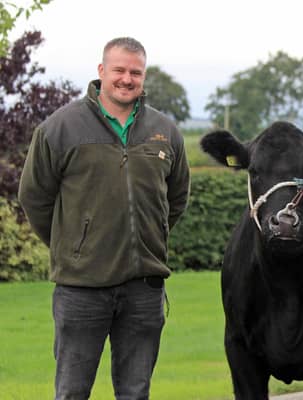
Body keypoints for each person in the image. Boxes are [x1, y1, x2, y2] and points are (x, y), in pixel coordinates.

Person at [18, 37, 190, 399]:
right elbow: (34, 198)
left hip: (144, 289)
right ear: (101, 72)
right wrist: (75, 246)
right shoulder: (59, 128)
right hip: (81, 289)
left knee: (135, 392)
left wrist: (147, 239)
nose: (127, 79)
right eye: (119, 70)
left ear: (144, 76)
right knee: (72, 392)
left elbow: (175, 198)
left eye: (136, 72)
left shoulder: (166, 132)